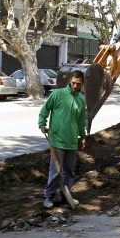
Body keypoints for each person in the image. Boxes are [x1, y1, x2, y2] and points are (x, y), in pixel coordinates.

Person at [38, 70, 87, 208]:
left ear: (82, 83)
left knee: (69, 171)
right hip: (57, 139)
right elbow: (44, 110)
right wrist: (42, 124)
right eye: (73, 83)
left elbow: (81, 121)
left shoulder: (81, 99)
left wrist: (83, 136)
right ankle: (48, 197)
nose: (76, 86)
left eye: (79, 84)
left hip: (72, 141)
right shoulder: (57, 94)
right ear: (70, 81)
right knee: (56, 171)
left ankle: (66, 196)